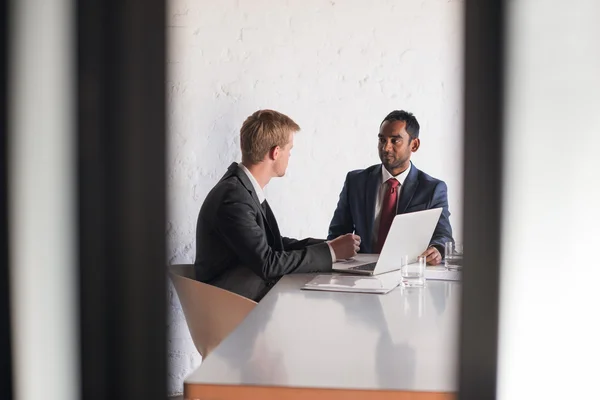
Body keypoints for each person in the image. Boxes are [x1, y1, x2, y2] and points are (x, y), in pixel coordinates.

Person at [194, 109, 360, 301]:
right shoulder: (234, 198)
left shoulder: (242, 187)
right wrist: (330, 252)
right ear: (276, 152)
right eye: (290, 150)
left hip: (244, 293)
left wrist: (328, 245)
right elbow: (267, 263)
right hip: (230, 305)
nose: (289, 156)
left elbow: (272, 244)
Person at [327, 110, 453, 265]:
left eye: (395, 141)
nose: (386, 148)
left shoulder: (432, 188)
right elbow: (337, 233)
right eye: (382, 140)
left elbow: (443, 235)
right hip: (360, 270)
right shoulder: (356, 181)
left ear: (414, 145)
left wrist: (437, 250)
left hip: (408, 270)